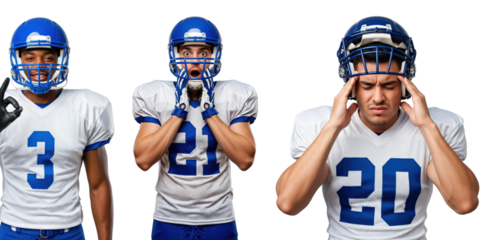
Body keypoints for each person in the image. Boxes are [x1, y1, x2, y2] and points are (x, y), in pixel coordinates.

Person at [275, 14, 479, 239]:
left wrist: (427, 126)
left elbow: (465, 204)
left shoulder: (440, 124)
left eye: (390, 85)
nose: (378, 97)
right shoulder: (317, 123)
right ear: (350, 86)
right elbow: (288, 204)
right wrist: (333, 127)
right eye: (367, 85)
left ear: (406, 85)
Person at [0, 15, 115, 240]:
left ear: (63, 58)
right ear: (16, 58)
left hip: (69, 232)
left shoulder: (87, 105)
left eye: (48, 58)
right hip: (14, 231)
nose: (39, 65)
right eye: (30, 58)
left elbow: (98, 185)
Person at [131, 15, 258, 240]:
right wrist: (179, 111)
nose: (195, 60)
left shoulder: (235, 93)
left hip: (219, 217)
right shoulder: (155, 93)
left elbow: (245, 161)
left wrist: (209, 110)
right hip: (168, 217)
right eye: (187, 52)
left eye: (203, 52)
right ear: (174, 54)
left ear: (215, 54)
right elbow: (143, 161)